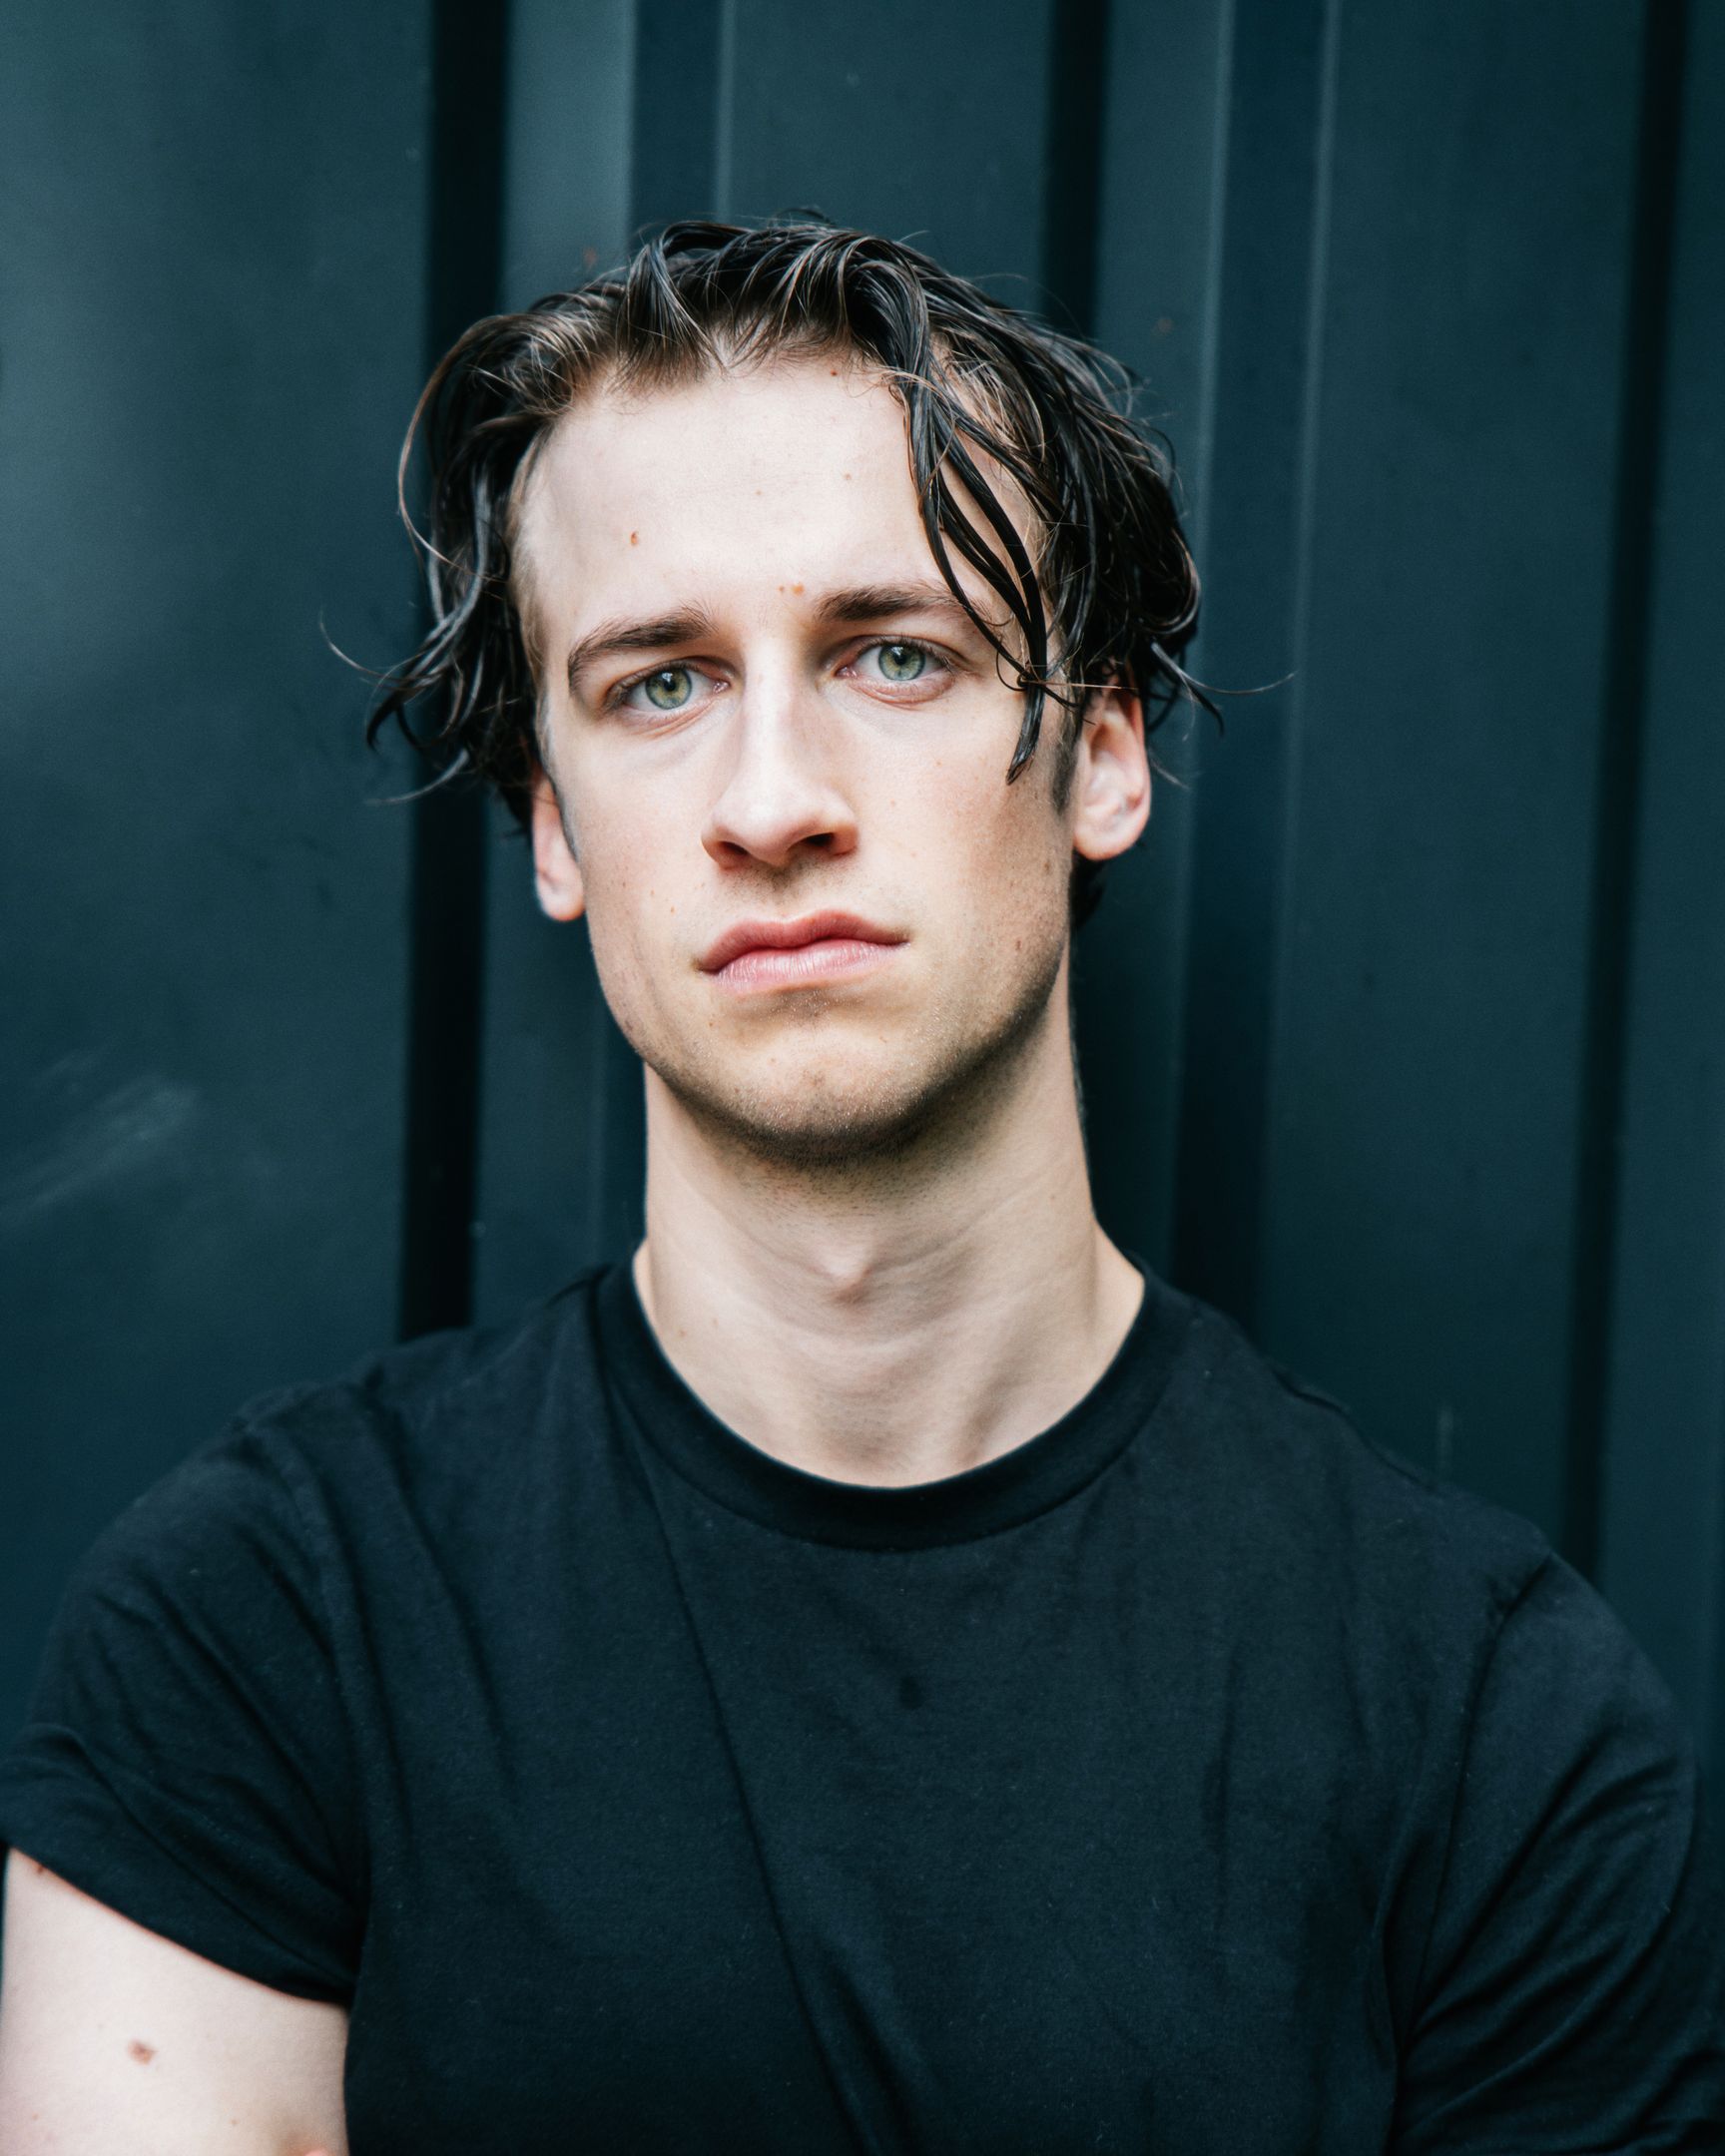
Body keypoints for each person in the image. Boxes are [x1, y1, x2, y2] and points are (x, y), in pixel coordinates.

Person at [0, 219, 1720, 2155]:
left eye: (898, 656)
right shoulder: (262, 1622)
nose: (771, 802)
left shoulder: (1488, 1714)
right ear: (556, 826)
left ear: (1105, 756)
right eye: (658, 684)